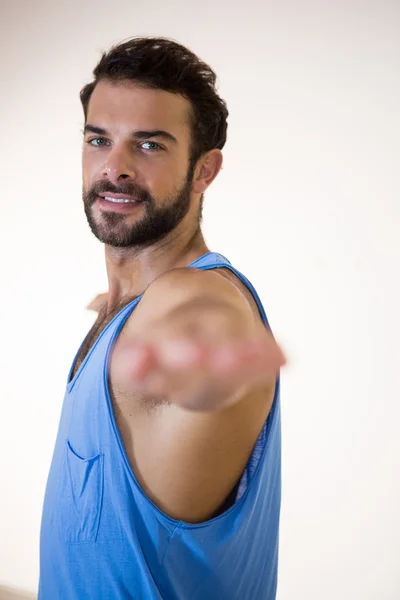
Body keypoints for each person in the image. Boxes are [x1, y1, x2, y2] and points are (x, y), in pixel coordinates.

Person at [38, 36, 286, 600]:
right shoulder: (124, 312)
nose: (115, 168)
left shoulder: (193, 308)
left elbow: (211, 326)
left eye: (149, 146)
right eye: (99, 140)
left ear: (205, 171)